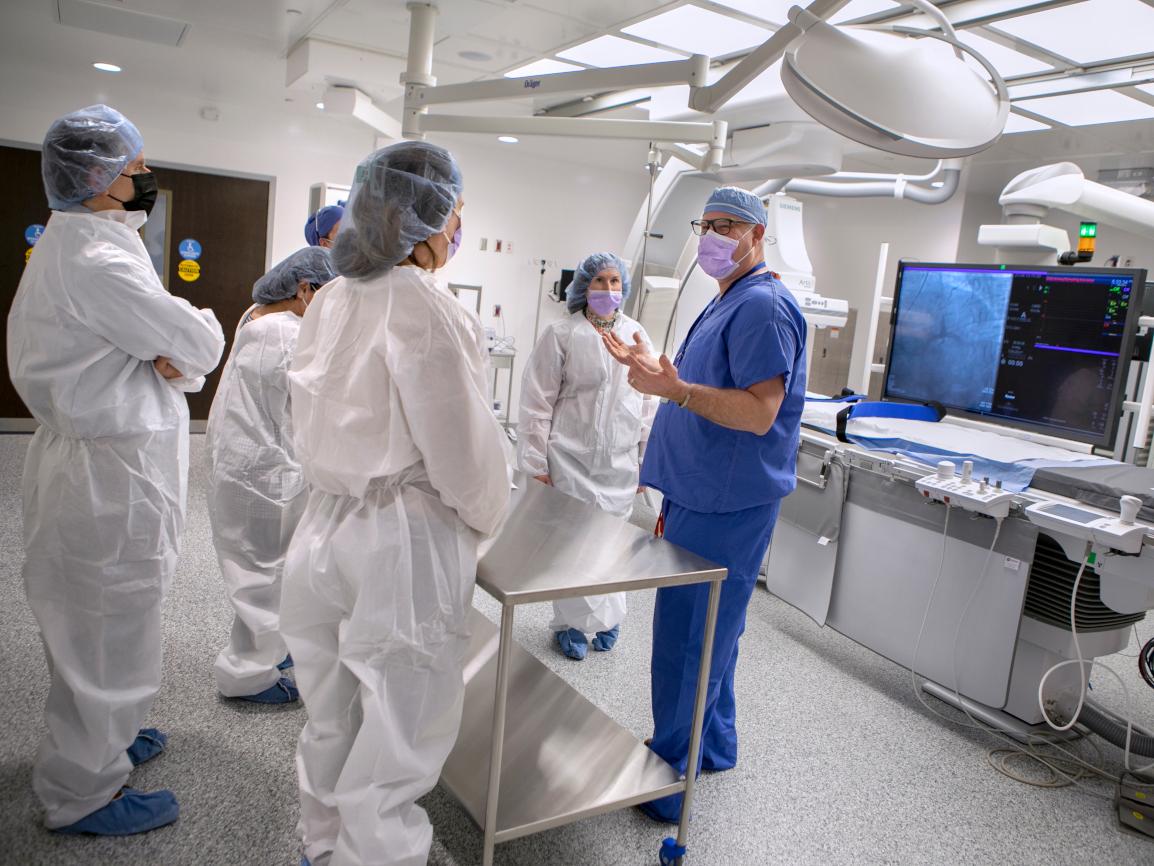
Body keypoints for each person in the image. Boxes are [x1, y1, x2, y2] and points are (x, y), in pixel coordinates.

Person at [280, 141, 511, 866]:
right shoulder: (426, 308)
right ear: (422, 220)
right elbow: (463, 455)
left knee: (331, 707)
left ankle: (324, 843)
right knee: (398, 719)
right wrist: (486, 517)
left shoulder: (332, 298)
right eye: (455, 217)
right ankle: (378, 855)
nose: (456, 233)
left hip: (322, 525)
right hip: (399, 541)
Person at [8, 105, 225, 835]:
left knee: (124, 618)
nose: (146, 182)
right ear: (98, 179)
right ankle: (81, 792)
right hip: (104, 479)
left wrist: (172, 356)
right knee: (101, 631)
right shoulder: (94, 260)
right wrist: (184, 345)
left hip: (116, 466)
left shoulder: (97, 242)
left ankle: (116, 737)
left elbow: (170, 353)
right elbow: (193, 337)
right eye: (137, 171)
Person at [604, 186, 807, 824]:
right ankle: (713, 745)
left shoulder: (764, 307)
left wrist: (680, 391)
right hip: (703, 491)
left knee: (692, 640)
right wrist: (659, 375)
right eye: (706, 225)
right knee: (715, 630)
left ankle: (669, 776)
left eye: (728, 226)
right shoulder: (729, 300)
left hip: (727, 501)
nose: (712, 236)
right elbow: (700, 385)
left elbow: (758, 411)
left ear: (757, 235)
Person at [205, 246, 336, 705]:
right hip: (264, 475)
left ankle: (268, 653)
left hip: (243, 462)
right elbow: (317, 403)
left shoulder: (256, 316)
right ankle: (248, 676)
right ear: (304, 291)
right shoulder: (288, 334)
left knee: (262, 569)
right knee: (265, 576)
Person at [517, 251, 654, 660]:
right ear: (583, 287)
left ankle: (609, 618)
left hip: (619, 464)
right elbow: (536, 403)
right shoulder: (561, 334)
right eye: (599, 282)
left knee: (612, 548)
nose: (608, 290)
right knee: (573, 546)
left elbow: (648, 403)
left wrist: (650, 461)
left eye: (615, 282)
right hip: (570, 459)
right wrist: (536, 464)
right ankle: (571, 624)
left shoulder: (636, 335)